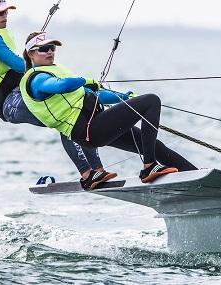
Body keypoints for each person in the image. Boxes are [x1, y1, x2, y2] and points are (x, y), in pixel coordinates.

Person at [0, 0, 115, 190]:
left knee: (72, 113)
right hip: (10, 101)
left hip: (15, 97)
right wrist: (39, 64)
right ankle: (88, 174)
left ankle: (96, 172)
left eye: (6, 11)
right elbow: (19, 66)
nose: (5, 16)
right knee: (66, 117)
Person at [20, 31, 197, 184]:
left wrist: (124, 98)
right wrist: (84, 80)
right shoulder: (36, 79)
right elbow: (61, 86)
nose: (50, 51)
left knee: (152, 145)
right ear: (31, 54)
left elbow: (98, 95)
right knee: (151, 101)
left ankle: (194, 174)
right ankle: (149, 167)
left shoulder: (57, 70)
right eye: (44, 48)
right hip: (89, 129)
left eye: (53, 47)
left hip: (95, 126)